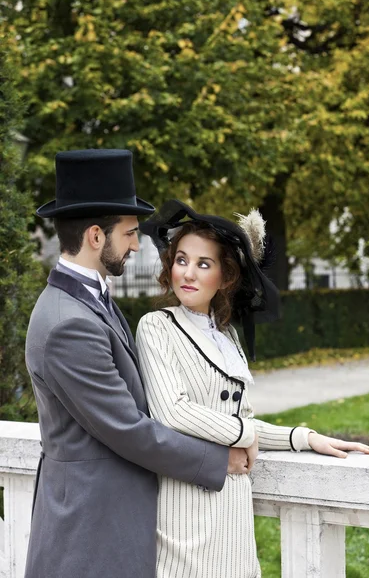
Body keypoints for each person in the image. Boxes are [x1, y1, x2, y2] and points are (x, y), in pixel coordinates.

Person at [24, 151, 249, 578]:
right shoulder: (66, 324)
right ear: (95, 236)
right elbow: (127, 428)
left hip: (110, 522)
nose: (136, 243)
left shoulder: (87, 300)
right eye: (129, 233)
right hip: (91, 533)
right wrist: (218, 462)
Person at [136, 199, 369, 578]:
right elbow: (173, 411)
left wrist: (304, 437)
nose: (189, 273)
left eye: (204, 264)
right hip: (186, 512)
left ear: (225, 276)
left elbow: (238, 421)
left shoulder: (227, 336)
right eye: (182, 259)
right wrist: (245, 433)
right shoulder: (156, 327)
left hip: (233, 508)